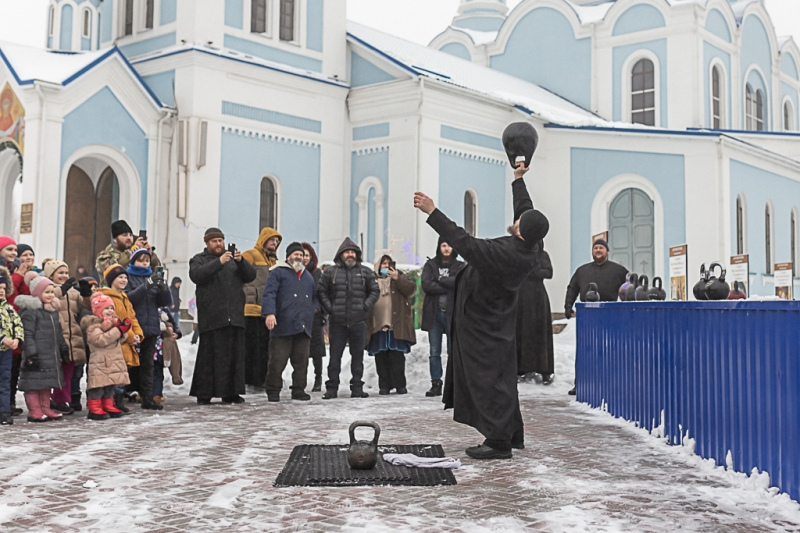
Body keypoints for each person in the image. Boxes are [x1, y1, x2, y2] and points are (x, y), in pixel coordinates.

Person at [413, 162, 549, 459]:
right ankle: (512, 433)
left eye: (520, 223)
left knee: (487, 380)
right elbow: (526, 213)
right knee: (501, 377)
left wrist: (432, 211)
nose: (517, 221)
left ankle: (498, 442)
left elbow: (464, 242)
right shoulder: (531, 245)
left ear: (522, 233)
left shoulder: (505, 253)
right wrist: (518, 181)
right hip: (496, 320)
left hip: (482, 322)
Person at [189, 228, 256, 405]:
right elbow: (197, 275)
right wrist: (219, 262)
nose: (219, 244)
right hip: (212, 317)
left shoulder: (234, 261)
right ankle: (204, 393)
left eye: (221, 240)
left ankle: (231, 393)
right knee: (209, 358)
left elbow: (250, 276)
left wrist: (241, 262)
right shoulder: (198, 259)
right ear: (207, 243)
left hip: (234, 317)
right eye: (214, 241)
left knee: (233, 358)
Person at [563, 239, 628, 395]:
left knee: (610, 350)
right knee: (585, 351)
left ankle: (610, 383)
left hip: (610, 314)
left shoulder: (618, 270)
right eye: (596, 248)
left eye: (601, 248)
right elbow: (572, 289)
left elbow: (628, 289)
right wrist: (568, 307)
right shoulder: (582, 271)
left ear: (607, 251)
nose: (598, 250)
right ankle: (580, 383)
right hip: (587, 316)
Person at [317, 238, 379, 400]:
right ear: (341, 254)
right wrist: (330, 308)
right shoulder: (331, 272)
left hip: (359, 321)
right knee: (335, 357)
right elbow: (321, 291)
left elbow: (374, 291)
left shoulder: (366, 272)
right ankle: (332, 388)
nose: (350, 255)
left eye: (353, 252)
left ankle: (357, 388)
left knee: (358, 357)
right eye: (347, 252)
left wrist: (365, 306)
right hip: (337, 322)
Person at [262, 242, 319, 402]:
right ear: (288, 256)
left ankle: (298, 390)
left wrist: (315, 308)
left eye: (301, 255)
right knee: (277, 362)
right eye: (296, 254)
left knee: (301, 362)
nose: (299, 257)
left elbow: (315, 296)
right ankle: (273, 390)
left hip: (303, 326)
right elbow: (269, 294)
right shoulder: (278, 272)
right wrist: (269, 313)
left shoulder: (307, 276)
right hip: (282, 325)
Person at [16, 275, 71, 423]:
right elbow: (27, 334)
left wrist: (63, 349)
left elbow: (58, 333)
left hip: (50, 355)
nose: (50, 295)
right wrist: (31, 353)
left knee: (46, 383)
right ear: (37, 293)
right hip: (36, 355)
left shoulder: (52, 311)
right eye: (47, 292)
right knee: (33, 384)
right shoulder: (30, 311)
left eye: (52, 292)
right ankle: (35, 410)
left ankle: (45, 408)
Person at [125, 246, 172, 410]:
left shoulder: (152, 277)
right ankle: (123, 393)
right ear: (133, 261)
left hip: (150, 327)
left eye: (147, 260)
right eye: (141, 260)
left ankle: (148, 397)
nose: (144, 263)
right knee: (129, 362)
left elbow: (164, 302)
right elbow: (128, 299)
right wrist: (146, 286)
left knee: (148, 364)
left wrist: (163, 287)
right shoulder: (128, 277)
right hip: (132, 327)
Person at [43, 260, 92, 416]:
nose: (64, 276)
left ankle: (61, 399)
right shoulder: (47, 289)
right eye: (60, 273)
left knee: (68, 371)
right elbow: (46, 300)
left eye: (65, 272)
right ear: (51, 275)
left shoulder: (72, 291)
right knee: (55, 370)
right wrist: (60, 290)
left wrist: (86, 295)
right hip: (55, 335)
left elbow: (88, 306)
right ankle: (50, 399)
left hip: (72, 335)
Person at [420, 238, 465, 397]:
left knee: (453, 351)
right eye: (444, 245)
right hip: (434, 313)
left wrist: (439, 280)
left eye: (449, 245)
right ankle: (436, 383)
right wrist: (446, 285)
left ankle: (454, 384)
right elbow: (426, 285)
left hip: (452, 313)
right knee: (434, 351)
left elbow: (460, 283)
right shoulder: (431, 265)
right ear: (439, 247)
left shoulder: (459, 266)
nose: (446, 248)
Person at [366, 255, 416, 395]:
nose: (386, 266)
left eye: (388, 264)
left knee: (397, 357)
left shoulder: (400, 277)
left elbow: (411, 289)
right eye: (383, 264)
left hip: (396, 324)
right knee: (380, 357)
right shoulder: (372, 280)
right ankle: (384, 385)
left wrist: (397, 278)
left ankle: (400, 385)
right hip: (377, 324)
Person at [99, 265, 143, 413]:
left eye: (125, 277)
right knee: (114, 372)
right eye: (120, 277)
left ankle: (118, 400)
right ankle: (112, 402)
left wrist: (137, 334)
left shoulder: (125, 297)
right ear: (111, 280)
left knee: (122, 372)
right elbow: (115, 319)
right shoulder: (107, 297)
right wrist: (130, 336)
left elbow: (131, 317)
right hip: (117, 340)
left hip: (126, 340)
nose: (124, 280)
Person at [242, 228, 282, 391]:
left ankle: (260, 379)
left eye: (277, 241)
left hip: (266, 311)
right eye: (272, 239)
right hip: (250, 309)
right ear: (263, 239)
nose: (275, 243)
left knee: (264, 348)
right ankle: (248, 379)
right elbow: (238, 272)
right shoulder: (251, 255)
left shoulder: (273, 261)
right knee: (250, 347)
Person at [81, 293, 131, 420]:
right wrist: (118, 331)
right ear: (98, 311)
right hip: (100, 362)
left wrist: (123, 330)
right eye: (106, 308)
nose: (110, 311)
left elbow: (119, 339)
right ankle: (95, 408)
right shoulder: (93, 326)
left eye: (111, 308)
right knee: (98, 387)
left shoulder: (113, 324)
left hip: (112, 361)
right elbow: (100, 340)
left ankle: (108, 405)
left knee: (110, 386)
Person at [516, 248, 555, 384]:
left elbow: (549, 272)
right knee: (520, 332)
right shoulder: (517, 252)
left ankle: (545, 369)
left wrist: (530, 271)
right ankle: (520, 368)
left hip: (538, 298)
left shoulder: (542, 254)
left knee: (541, 332)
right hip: (520, 297)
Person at [95, 220, 161, 286]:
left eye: (130, 235)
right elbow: (116, 269)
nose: (129, 238)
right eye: (125, 235)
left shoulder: (137, 252)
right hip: (113, 294)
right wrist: (135, 250)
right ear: (115, 239)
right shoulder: (104, 256)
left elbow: (157, 270)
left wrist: (149, 254)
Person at [301, 243, 326, 392]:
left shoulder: (317, 274)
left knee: (316, 351)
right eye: (302, 255)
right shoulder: (294, 272)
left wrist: (320, 312)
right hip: (299, 317)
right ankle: (300, 379)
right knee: (300, 351)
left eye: (307, 255)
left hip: (315, 317)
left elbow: (322, 294)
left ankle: (318, 379)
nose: (304, 258)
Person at [0, 267, 23, 425]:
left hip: (6, 353)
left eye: (3, 288)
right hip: (3, 344)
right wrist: (2, 338)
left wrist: (17, 339)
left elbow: (18, 324)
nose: (1, 291)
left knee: (5, 380)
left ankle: (4, 410)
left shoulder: (8, 308)